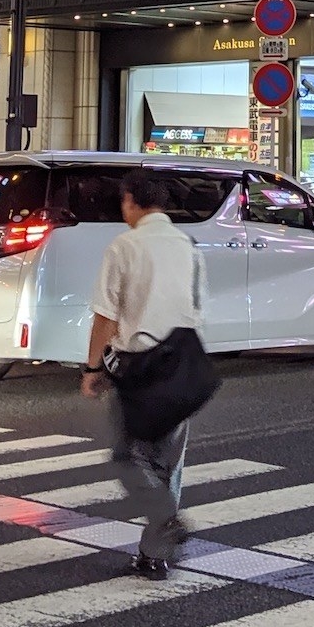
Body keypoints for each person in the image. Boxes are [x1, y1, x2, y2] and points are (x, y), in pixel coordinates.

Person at [82, 171, 209, 580]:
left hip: (141, 365)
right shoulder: (188, 246)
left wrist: (92, 368)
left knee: (127, 457)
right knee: (167, 464)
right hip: (185, 361)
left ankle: (166, 519)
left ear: (132, 202)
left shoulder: (125, 246)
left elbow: (105, 315)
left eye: (123, 201)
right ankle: (155, 556)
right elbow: (196, 305)